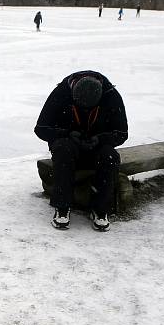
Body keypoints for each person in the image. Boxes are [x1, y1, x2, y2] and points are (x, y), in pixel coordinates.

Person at [34, 71, 128, 231]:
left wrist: (101, 139)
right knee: (63, 150)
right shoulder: (61, 93)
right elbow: (41, 128)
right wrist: (67, 134)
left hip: (97, 145)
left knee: (110, 156)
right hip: (68, 144)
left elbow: (122, 133)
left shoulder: (111, 96)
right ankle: (62, 207)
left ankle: (100, 210)